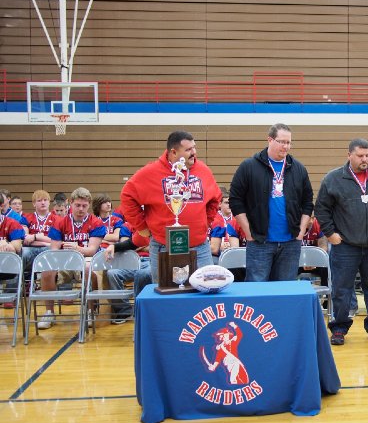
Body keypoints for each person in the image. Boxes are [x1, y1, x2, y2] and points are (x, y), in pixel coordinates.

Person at [315, 138, 368, 346]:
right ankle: (339, 328)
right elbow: (321, 209)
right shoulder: (334, 178)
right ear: (349, 155)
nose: (365, 159)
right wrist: (330, 234)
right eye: (360, 155)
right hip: (345, 246)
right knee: (341, 289)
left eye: (367, 155)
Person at [121, 130, 222, 283]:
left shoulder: (203, 170)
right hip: (163, 247)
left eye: (194, 147)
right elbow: (127, 196)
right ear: (173, 152)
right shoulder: (150, 172)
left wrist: (205, 223)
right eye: (188, 149)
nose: (194, 152)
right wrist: (142, 227)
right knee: (166, 293)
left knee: (206, 290)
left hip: (200, 247)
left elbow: (215, 198)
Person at [229, 123, 313, 282]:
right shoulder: (249, 166)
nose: (286, 146)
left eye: (288, 142)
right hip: (260, 242)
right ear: (270, 140)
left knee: (285, 291)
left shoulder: (298, 169)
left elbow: (307, 202)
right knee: (257, 290)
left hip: (290, 243)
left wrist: (301, 231)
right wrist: (248, 232)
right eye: (282, 142)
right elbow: (235, 200)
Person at [40, 187, 106, 329]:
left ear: (89, 205)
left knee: (87, 269)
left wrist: (77, 249)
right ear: (70, 203)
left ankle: (90, 310)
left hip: (88, 261)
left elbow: (92, 250)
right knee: (47, 271)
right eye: (77, 205)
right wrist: (67, 255)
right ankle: (49, 313)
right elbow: (54, 251)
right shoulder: (60, 222)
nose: (81, 209)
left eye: (84, 206)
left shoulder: (96, 223)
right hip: (65, 261)